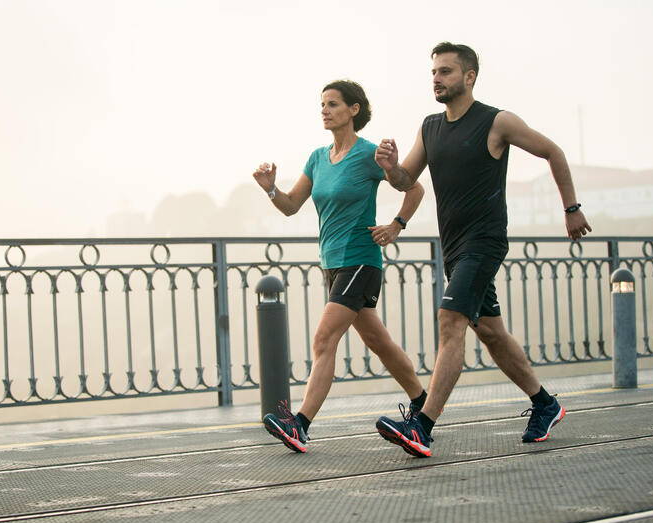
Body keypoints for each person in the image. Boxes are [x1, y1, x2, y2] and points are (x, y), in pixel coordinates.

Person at [374, 42, 592, 458]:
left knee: (450, 319)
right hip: (453, 247)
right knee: (491, 332)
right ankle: (545, 403)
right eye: (433, 72)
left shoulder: (496, 122)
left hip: (484, 241)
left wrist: (572, 208)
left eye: (446, 72)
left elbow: (553, 151)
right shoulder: (430, 127)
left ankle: (422, 426)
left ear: (469, 76)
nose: (436, 79)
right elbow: (407, 180)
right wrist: (390, 169)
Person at [253, 80, 427, 453]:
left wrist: (397, 225)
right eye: (322, 105)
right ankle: (421, 400)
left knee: (323, 338)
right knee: (378, 341)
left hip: (361, 259)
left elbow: (414, 189)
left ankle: (300, 424)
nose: (325, 110)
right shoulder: (317, 158)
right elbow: (290, 205)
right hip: (332, 263)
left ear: (354, 110)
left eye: (333, 104)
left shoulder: (369, 155)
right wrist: (270, 189)